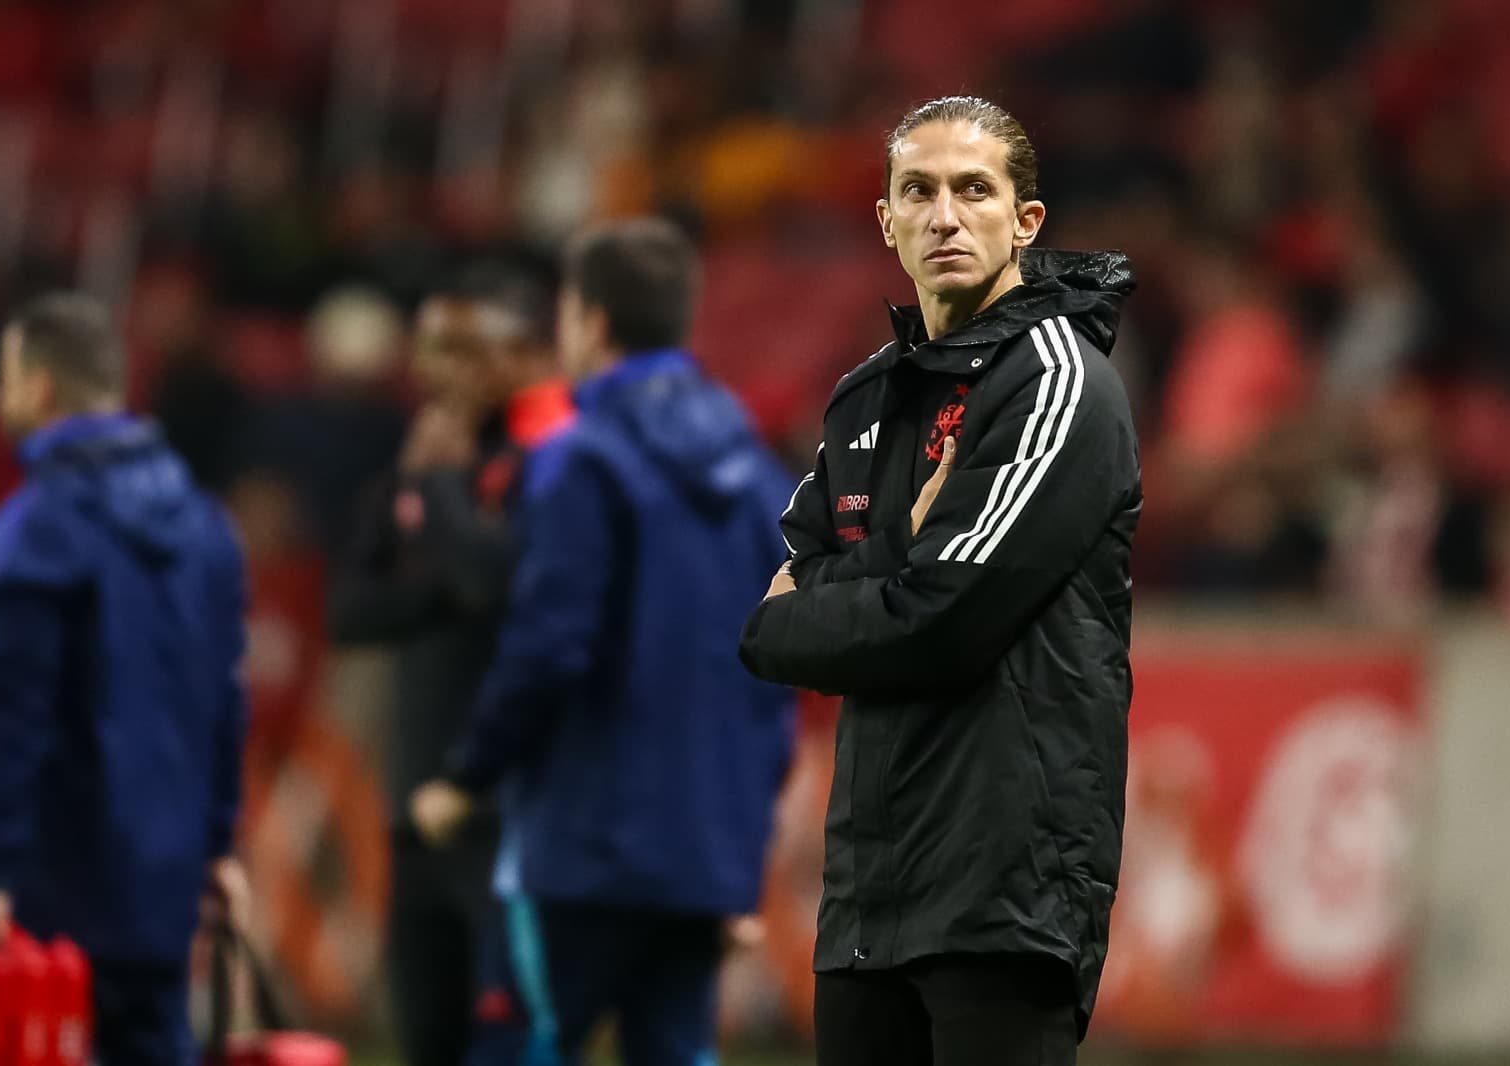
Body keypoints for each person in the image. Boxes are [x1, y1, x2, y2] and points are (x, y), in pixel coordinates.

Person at [738, 96, 1142, 1066]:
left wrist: (851, 588)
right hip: (870, 889)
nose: (944, 216)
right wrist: (894, 561)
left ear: (1025, 222)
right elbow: (760, 629)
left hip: (1004, 886)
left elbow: (945, 620)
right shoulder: (868, 396)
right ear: (885, 221)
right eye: (917, 191)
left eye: (973, 190)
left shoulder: (1056, 380)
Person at [410, 218, 796, 1066]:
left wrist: (470, 774)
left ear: (589, 321)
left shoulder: (584, 460)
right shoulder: (762, 478)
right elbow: (776, 680)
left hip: (581, 845)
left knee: (525, 1048)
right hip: (702, 855)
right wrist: (739, 852)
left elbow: (549, 645)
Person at [0, 293, 249, 1066]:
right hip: (168, 880)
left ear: (41, 388)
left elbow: (19, 719)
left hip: (59, 882)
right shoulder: (206, 524)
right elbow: (224, 702)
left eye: (10, 380)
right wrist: (217, 845)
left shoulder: (32, 529)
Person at [329, 269, 574, 1066]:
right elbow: (352, 611)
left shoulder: (545, 464)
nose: (442, 368)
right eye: (433, 347)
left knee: (510, 1038)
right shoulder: (414, 468)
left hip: (508, 808)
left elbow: (491, 584)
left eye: (466, 348)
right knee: (426, 1037)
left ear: (523, 353)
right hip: (414, 805)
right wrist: (436, 521)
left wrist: (434, 498)